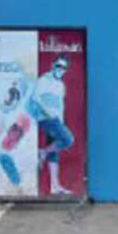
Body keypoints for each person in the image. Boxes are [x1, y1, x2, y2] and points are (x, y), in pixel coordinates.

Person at [28, 55, 74, 196]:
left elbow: (61, 105)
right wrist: (49, 113)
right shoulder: (44, 80)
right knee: (68, 140)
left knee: (54, 154)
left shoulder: (60, 85)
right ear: (53, 65)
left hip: (56, 120)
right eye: (59, 66)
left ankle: (55, 187)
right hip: (46, 118)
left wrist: (61, 120)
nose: (61, 69)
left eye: (64, 67)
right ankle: (43, 152)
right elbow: (35, 97)